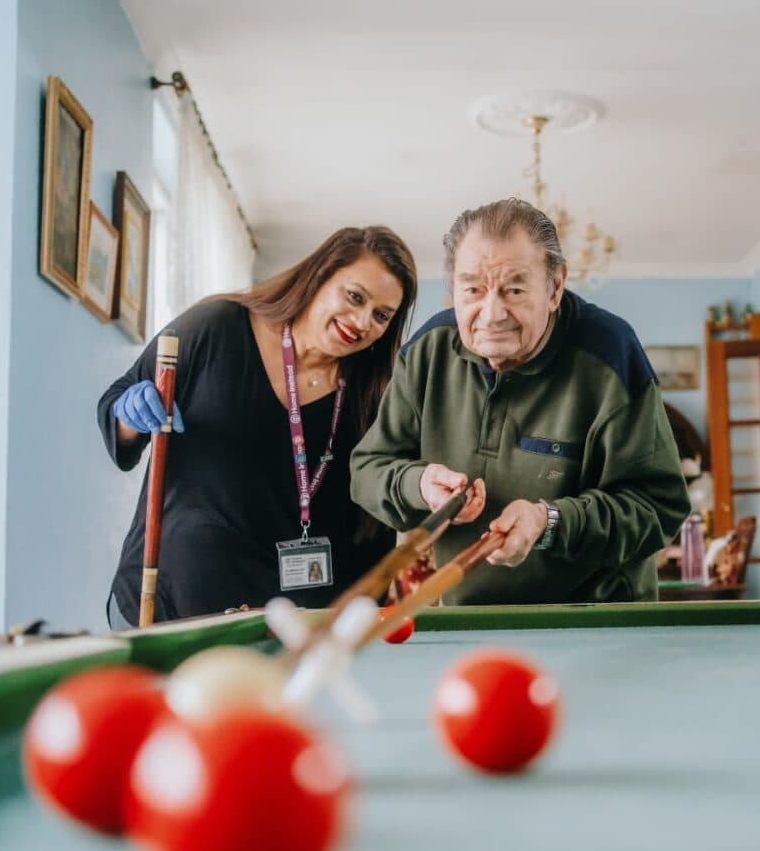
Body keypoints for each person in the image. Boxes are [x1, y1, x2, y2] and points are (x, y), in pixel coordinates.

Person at [350, 199, 690, 605]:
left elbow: (658, 506)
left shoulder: (611, 353)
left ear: (555, 287)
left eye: (513, 289)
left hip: (595, 619)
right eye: (473, 289)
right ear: (452, 290)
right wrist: (419, 486)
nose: (492, 314)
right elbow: (368, 470)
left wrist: (550, 522)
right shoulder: (427, 351)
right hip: (468, 619)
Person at [98, 226, 417, 628]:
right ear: (319, 277)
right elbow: (118, 404)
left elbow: (368, 523)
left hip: (281, 627)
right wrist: (130, 416)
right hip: (166, 606)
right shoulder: (215, 327)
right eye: (355, 297)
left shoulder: (374, 393)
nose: (362, 321)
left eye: (381, 316)